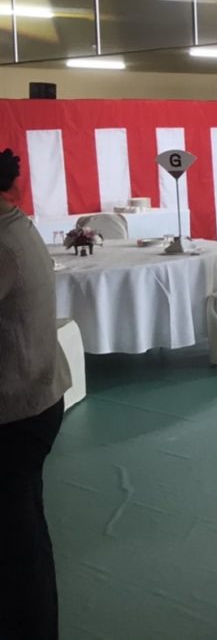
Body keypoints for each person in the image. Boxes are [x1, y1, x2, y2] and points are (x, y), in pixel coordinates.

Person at [0, 148, 70, 639]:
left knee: (17, 542)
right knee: (22, 526)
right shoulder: (15, 224)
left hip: (16, 408)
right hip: (35, 396)